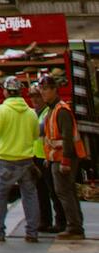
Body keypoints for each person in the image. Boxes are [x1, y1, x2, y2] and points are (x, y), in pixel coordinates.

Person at [0, 74, 47, 242]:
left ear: (6, 92)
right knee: (30, 196)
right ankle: (32, 233)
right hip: (27, 162)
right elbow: (36, 134)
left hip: (6, 161)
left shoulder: (1, 111)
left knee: (0, 195)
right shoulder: (30, 113)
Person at [41, 73, 88, 240]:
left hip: (64, 158)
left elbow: (67, 137)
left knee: (64, 192)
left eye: (46, 89)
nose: (43, 92)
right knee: (67, 192)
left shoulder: (61, 110)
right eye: (42, 89)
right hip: (58, 158)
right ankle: (75, 225)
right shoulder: (53, 110)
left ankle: (74, 227)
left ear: (55, 90)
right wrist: (49, 157)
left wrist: (66, 160)